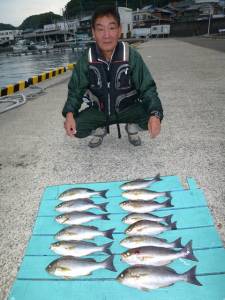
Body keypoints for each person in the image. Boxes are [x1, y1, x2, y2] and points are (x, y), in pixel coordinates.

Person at [62, 5, 163, 148]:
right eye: (100, 29)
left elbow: (147, 88)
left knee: (154, 116)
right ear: (93, 32)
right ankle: (100, 127)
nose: (106, 35)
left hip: (129, 109)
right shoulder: (87, 59)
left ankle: (132, 126)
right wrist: (70, 113)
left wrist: (155, 114)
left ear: (119, 30)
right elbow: (75, 91)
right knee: (75, 128)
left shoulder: (131, 55)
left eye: (111, 28)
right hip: (99, 111)